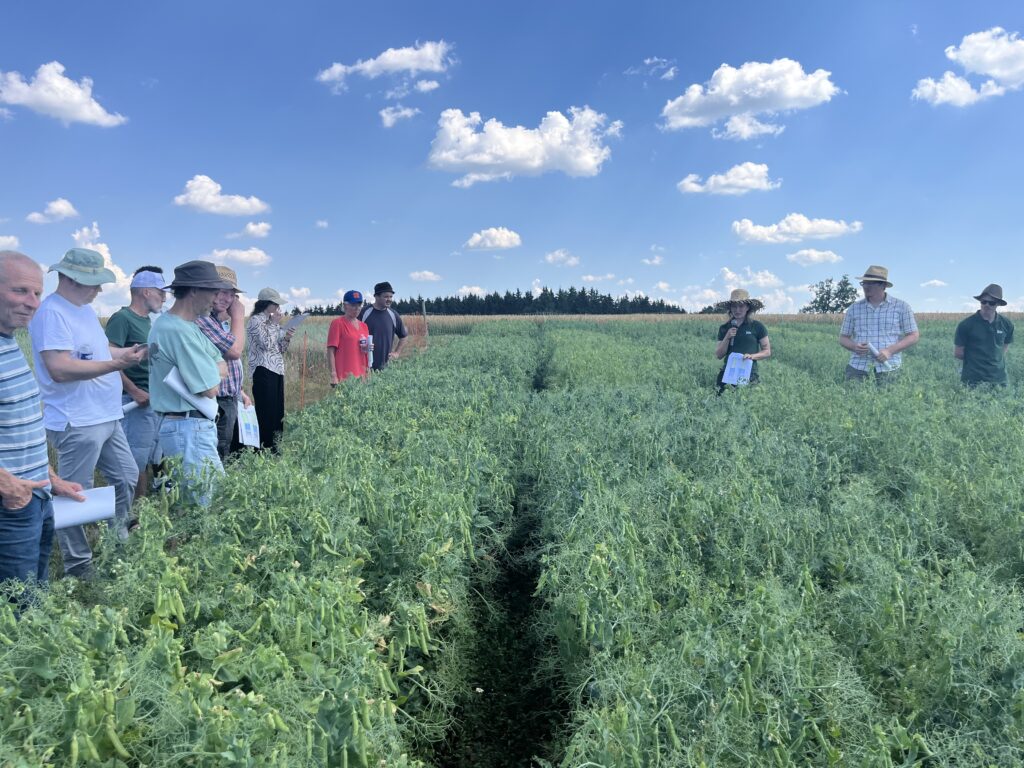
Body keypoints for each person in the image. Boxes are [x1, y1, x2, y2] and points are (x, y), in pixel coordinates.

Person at [27, 248, 147, 578]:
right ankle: (79, 566)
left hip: (105, 415)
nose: (99, 290)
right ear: (71, 279)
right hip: (76, 420)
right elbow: (59, 368)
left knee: (126, 477)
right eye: (93, 283)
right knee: (74, 496)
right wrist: (116, 363)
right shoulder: (52, 313)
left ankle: (116, 541)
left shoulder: (83, 310)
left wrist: (127, 354)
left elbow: (100, 350)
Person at [0, 251, 84, 589]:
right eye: (20, 291)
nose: (33, 302)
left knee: (34, 592)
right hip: (10, 503)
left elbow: (18, 426)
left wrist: (50, 478)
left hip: (35, 495)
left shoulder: (10, 342)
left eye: (36, 293)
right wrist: (9, 487)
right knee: (15, 607)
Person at [148, 261, 231, 505]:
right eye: (213, 292)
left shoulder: (183, 326)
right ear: (194, 290)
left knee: (197, 502)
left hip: (188, 426)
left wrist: (212, 369)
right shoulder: (177, 331)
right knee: (209, 505)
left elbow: (220, 361)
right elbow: (210, 388)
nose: (216, 299)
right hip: (188, 428)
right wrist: (213, 370)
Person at [104, 267, 168, 499]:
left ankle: (148, 506)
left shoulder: (149, 322)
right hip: (134, 401)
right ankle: (136, 514)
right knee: (136, 459)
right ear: (146, 292)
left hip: (152, 398)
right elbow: (107, 357)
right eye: (161, 292)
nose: (164, 297)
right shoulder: (122, 319)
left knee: (153, 454)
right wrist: (133, 390)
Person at [196, 266, 252, 458]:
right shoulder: (203, 320)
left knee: (222, 447)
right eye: (219, 291)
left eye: (230, 294)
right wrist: (238, 315)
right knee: (217, 452)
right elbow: (234, 352)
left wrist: (240, 391)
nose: (225, 298)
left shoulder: (216, 320)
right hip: (215, 398)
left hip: (227, 396)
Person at [839, 265, 919, 384]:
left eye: (870, 283)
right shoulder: (854, 308)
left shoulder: (901, 307)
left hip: (889, 368)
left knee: (889, 401)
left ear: (883, 285)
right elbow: (843, 338)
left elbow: (913, 335)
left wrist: (889, 351)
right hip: (858, 368)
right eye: (864, 283)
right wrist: (855, 347)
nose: (866, 287)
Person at [246, 287, 294, 451]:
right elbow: (265, 344)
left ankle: (276, 446)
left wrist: (286, 337)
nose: (278, 308)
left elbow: (279, 349)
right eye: (276, 304)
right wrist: (275, 325)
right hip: (262, 369)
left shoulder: (272, 323)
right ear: (267, 304)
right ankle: (264, 447)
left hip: (277, 369)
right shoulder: (255, 321)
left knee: (277, 411)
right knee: (266, 411)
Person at [954, 283, 1014, 387]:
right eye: (984, 301)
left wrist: (991, 358)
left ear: (998, 304)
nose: (987, 305)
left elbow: (1003, 348)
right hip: (972, 381)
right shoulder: (966, 325)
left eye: (991, 303)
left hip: (999, 380)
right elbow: (958, 353)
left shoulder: (1007, 324)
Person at [713, 289, 771, 392]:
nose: (737, 310)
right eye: (734, 306)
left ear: (747, 307)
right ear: (730, 308)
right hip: (728, 374)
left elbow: (767, 351)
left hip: (749, 374)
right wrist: (727, 337)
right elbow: (719, 355)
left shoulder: (757, 327)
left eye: (741, 306)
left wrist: (752, 356)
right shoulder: (724, 328)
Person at [359, 281, 408, 370]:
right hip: (363, 367)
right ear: (376, 296)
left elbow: (403, 336)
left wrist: (397, 353)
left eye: (391, 296)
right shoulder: (364, 312)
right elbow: (353, 334)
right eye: (386, 296)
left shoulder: (393, 315)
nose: (389, 299)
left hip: (386, 368)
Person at [328, 290, 372, 386]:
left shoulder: (364, 326)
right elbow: (331, 350)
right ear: (345, 305)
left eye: (359, 304)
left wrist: (367, 349)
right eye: (353, 305)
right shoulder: (337, 323)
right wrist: (333, 374)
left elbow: (364, 351)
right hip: (344, 376)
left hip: (362, 375)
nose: (357, 308)